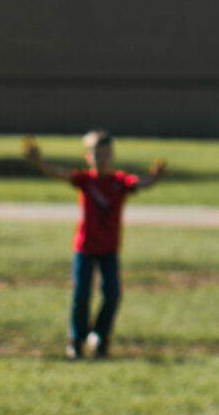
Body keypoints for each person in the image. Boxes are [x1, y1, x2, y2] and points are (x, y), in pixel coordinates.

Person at [22, 130, 165, 358]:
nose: (102, 158)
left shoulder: (119, 181)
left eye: (106, 153)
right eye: (97, 153)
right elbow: (58, 173)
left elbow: (141, 183)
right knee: (81, 295)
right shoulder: (85, 180)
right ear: (88, 156)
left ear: (112, 155)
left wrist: (155, 179)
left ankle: (99, 336)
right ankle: (76, 340)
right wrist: (39, 161)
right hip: (85, 248)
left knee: (113, 294)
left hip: (109, 249)